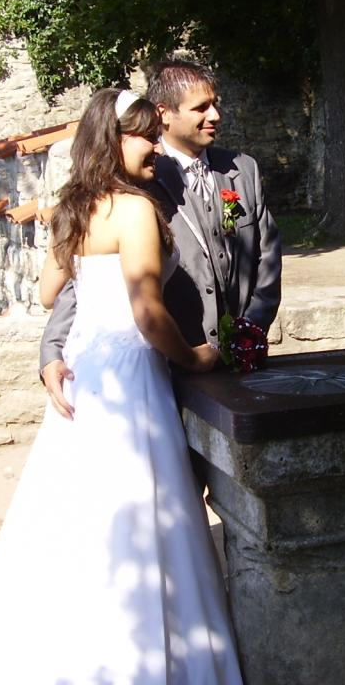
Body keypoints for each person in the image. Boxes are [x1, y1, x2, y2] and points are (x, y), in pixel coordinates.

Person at [0, 88, 244, 684]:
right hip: (132, 376)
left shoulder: (71, 209)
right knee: (144, 511)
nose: (156, 147)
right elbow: (148, 315)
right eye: (144, 136)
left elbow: (49, 292)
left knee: (76, 510)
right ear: (113, 139)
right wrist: (196, 358)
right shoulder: (134, 210)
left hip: (85, 371)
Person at [41, 59, 282, 419]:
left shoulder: (243, 169)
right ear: (164, 113)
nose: (215, 115)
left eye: (216, 104)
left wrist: (247, 336)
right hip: (167, 363)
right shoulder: (138, 179)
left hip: (236, 364)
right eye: (201, 107)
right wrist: (52, 350)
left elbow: (267, 257)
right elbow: (85, 280)